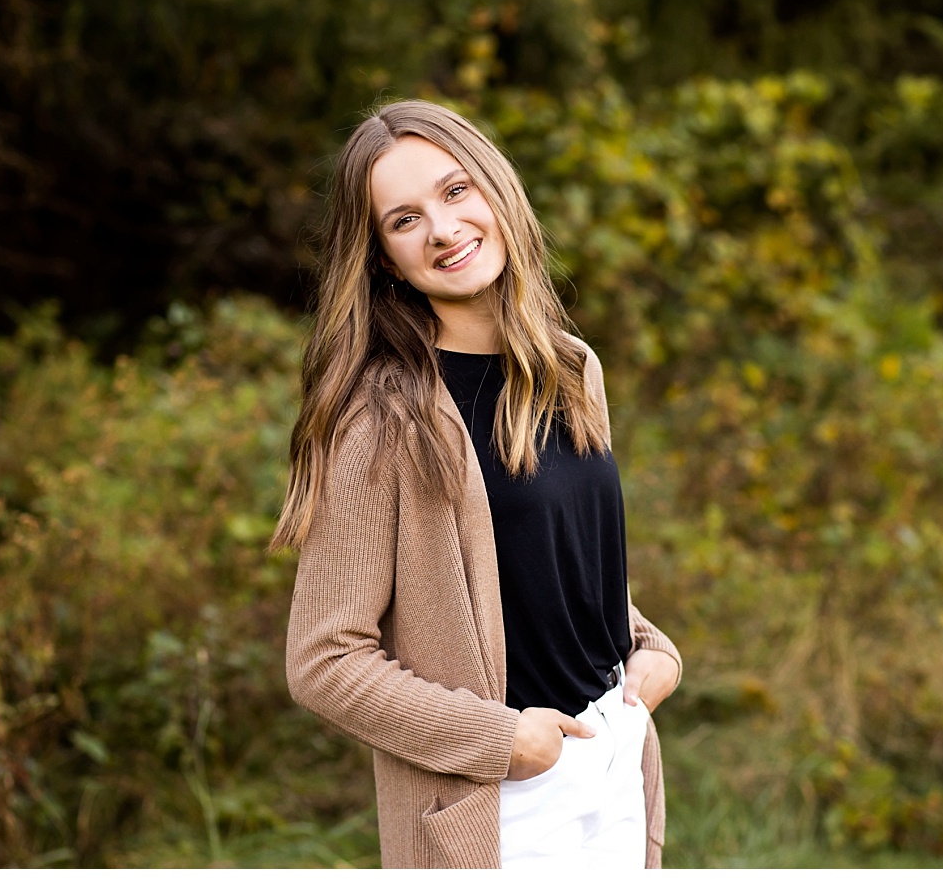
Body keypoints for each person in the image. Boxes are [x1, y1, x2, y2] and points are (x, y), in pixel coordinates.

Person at [270, 99, 682, 868]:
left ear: (496, 191)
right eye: (404, 219)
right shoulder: (385, 416)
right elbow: (324, 659)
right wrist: (501, 739)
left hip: (615, 760)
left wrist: (648, 646)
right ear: (385, 257)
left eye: (456, 191)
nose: (442, 228)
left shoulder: (570, 367)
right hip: (497, 801)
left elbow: (548, 567)